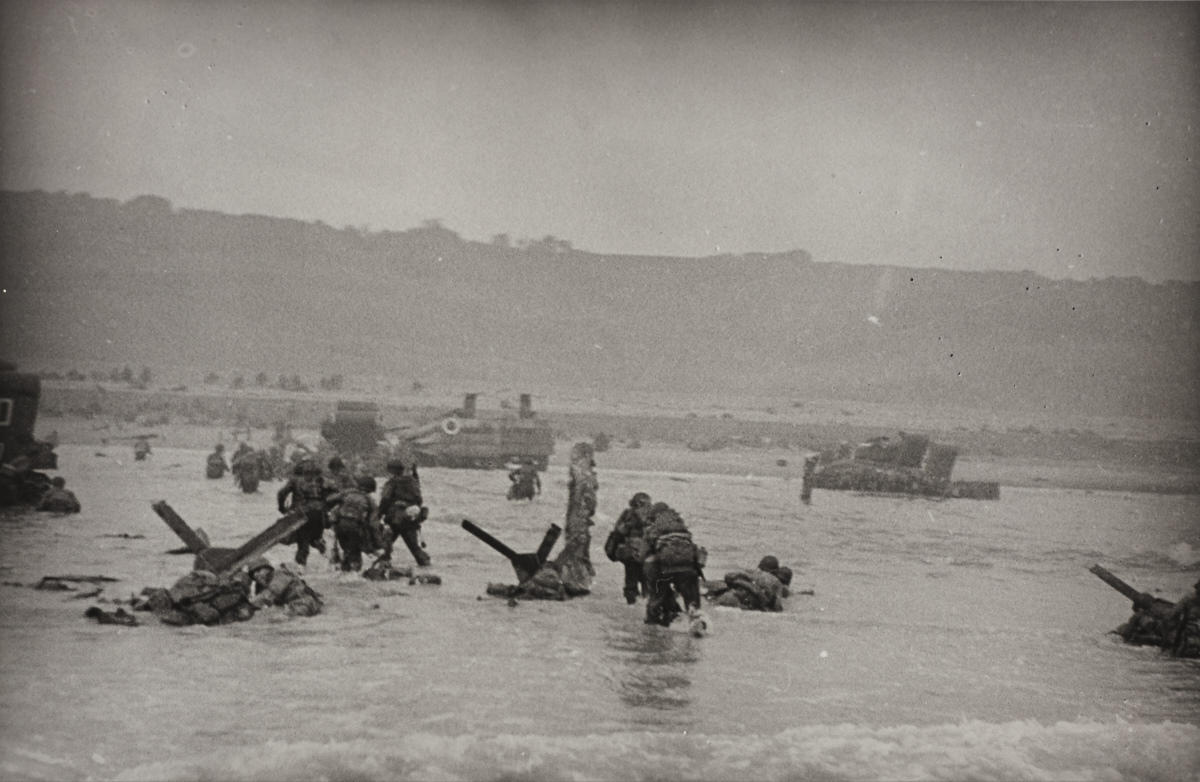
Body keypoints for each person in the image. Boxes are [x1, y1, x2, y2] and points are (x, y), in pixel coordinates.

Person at [641, 503, 706, 628]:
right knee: (692, 602)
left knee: (656, 599)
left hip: (662, 570)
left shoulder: (652, 528)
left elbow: (643, 554)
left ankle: (651, 628)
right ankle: (696, 622)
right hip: (687, 570)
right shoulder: (681, 527)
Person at [276, 458, 329, 566]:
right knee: (316, 539)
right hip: (319, 514)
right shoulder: (321, 481)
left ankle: (300, 570)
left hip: (302, 515)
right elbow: (331, 495)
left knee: (303, 544)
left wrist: (282, 508)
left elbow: (281, 493)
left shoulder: (295, 480)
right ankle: (330, 561)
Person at [378, 458, 430, 566]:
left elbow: (385, 500)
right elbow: (419, 500)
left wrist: (378, 515)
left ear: (391, 470)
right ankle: (427, 568)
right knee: (415, 549)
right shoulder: (413, 481)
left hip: (394, 520)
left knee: (384, 548)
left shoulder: (391, 483)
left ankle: (382, 569)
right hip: (410, 520)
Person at [604, 492, 652, 604]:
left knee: (633, 582)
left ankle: (634, 603)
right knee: (644, 582)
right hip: (642, 555)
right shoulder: (649, 516)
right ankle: (643, 603)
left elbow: (619, 531)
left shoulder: (628, 514)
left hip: (632, 554)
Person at [327, 475, 378, 572]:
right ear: (370, 489)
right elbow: (373, 523)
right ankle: (353, 576)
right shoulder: (369, 500)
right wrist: (377, 542)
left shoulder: (347, 493)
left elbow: (329, 500)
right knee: (355, 553)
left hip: (340, 526)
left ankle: (344, 572)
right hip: (355, 527)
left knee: (346, 550)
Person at [706, 555, 790, 612]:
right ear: (775, 571)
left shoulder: (749, 573)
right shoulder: (776, 582)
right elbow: (777, 607)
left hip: (726, 596)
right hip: (741, 603)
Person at [247, 557, 323, 616]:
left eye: (258, 571)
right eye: (253, 574)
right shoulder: (264, 583)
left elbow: (267, 596)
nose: (256, 575)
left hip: (304, 604)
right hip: (295, 605)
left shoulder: (279, 575)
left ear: (268, 569)